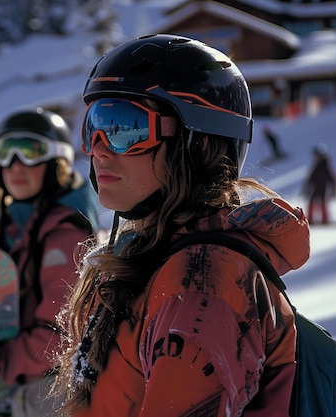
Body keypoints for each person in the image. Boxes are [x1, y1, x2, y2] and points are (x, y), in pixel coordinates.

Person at [53, 34, 310, 416]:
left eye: (128, 128)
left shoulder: (201, 289)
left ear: (200, 145)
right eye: (95, 125)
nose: (101, 148)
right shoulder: (154, 260)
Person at [0, 108, 101, 417]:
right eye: (6, 152)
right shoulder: (13, 227)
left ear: (55, 162)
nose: (16, 164)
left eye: (30, 151)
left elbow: (58, 337)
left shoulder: (65, 234)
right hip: (19, 388)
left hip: (48, 394)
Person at [302, 143, 336, 225]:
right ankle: (309, 220)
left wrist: (334, 189)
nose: (315, 158)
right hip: (315, 188)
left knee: (322, 203)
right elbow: (311, 178)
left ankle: (325, 220)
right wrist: (306, 187)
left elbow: (332, 179)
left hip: (323, 189)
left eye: (317, 156)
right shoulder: (316, 166)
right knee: (311, 203)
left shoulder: (325, 167)